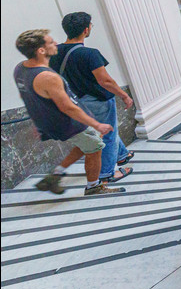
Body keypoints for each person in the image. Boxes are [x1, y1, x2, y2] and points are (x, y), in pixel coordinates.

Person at [13, 29, 123, 196]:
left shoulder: (20, 69)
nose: (56, 43)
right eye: (50, 42)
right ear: (41, 50)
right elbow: (68, 107)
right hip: (67, 121)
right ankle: (94, 187)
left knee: (87, 143)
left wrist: (38, 122)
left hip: (50, 121)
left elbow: (26, 95)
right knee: (95, 146)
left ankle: (55, 175)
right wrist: (97, 124)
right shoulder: (47, 77)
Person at [49, 12, 134, 184]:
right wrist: (124, 95)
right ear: (86, 30)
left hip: (76, 102)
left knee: (105, 130)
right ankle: (106, 174)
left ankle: (122, 155)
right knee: (108, 134)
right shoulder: (90, 54)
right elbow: (105, 81)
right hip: (97, 101)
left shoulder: (54, 53)